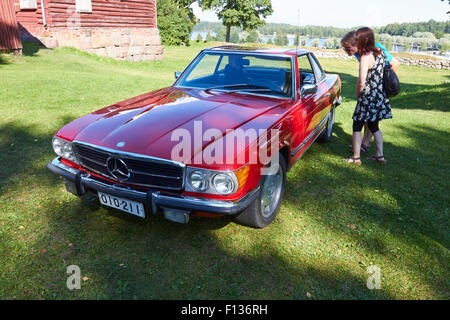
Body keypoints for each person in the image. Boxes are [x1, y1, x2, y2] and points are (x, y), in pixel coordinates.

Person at [341, 31, 399, 154]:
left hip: (373, 93)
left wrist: (380, 84)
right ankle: (376, 153)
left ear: (359, 42)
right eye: (344, 48)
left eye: (348, 48)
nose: (346, 51)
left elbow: (395, 64)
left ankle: (362, 148)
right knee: (372, 123)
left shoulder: (370, 53)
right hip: (377, 93)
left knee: (362, 123)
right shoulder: (368, 52)